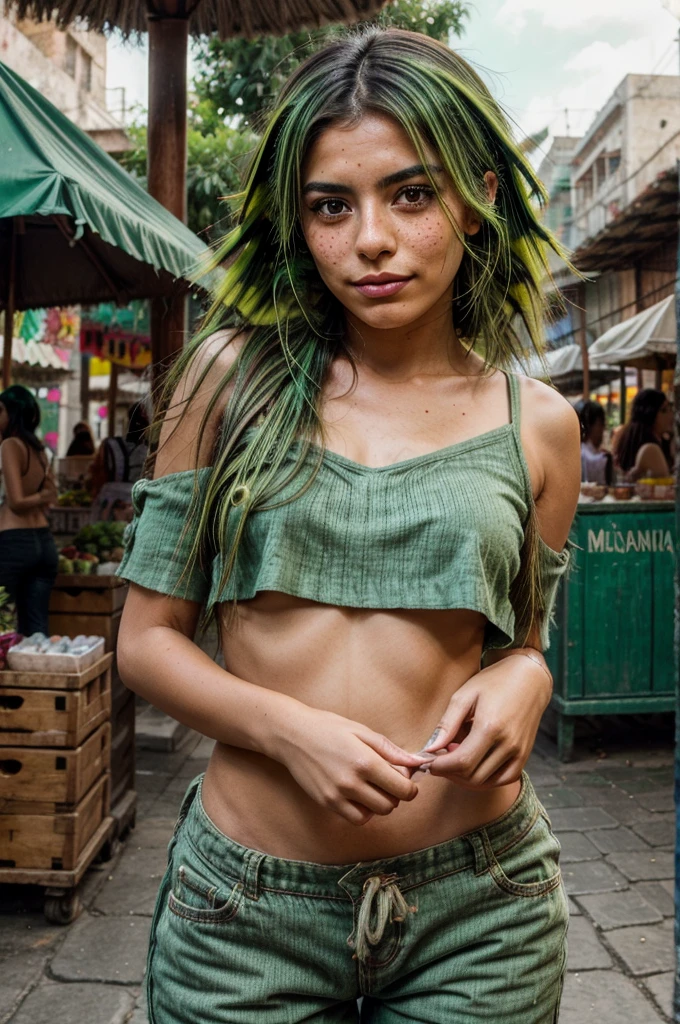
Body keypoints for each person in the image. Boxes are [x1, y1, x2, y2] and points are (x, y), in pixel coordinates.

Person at [117, 28, 580, 1024]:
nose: (368, 239)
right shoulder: (226, 383)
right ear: (299, 221)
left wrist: (527, 675)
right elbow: (146, 644)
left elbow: (523, 646)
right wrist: (289, 731)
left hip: (482, 913)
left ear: (478, 197)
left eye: (410, 194)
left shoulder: (537, 425)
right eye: (332, 205)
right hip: (245, 915)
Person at [0, 385, 58, 635]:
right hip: (44, 544)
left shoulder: (10, 445)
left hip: (14, 543)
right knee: (36, 630)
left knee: (3, 622)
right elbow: (50, 495)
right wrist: (43, 496)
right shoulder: (39, 450)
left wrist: (40, 496)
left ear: (12, 412)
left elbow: (16, 501)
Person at [90, 402, 150, 520]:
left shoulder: (109, 445)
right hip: (133, 505)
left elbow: (97, 476)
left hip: (109, 504)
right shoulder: (150, 449)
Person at [614, 388, 674, 481]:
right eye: (664, 410)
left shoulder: (662, 443)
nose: (670, 415)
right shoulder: (651, 449)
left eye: (670, 409)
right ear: (650, 414)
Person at [577, 399, 612, 485]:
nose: (602, 429)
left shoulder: (581, 449)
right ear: (590, 426)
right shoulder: (584, 453)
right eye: (600, 424)